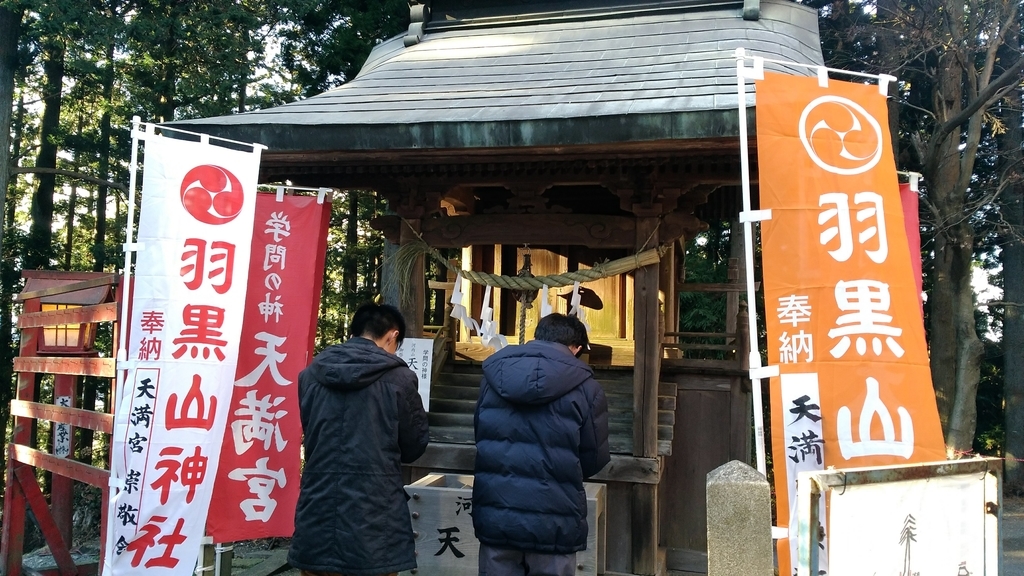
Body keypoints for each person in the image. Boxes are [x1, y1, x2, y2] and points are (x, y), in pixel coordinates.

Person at [289, 303, 429, 576]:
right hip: (376, 515)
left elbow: (312, 432)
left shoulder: (311, 376)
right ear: (392, 335)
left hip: (318, 507)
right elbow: (414, 446)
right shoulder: (400, 379)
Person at [472, 313, 610, 576]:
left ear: (538, 336)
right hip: (555, 516)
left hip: (498, 511)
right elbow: (593, 458)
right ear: (576, 348)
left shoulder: (493, 377)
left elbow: (481, 434)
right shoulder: (588, 388)